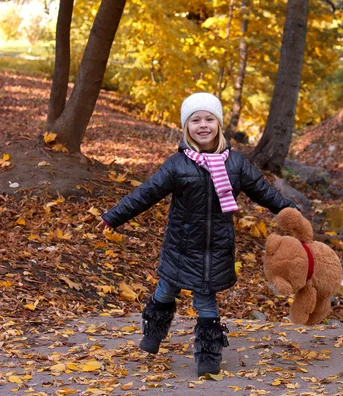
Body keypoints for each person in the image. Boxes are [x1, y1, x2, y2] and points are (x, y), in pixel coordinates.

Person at [97, 92, 299, 376]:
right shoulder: (177, 165)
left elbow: (265, 193)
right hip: (180, 247)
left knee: (205, 299)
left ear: (218, 125)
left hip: (215, 249)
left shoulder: (236, 164)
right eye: (195, 120)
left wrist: (292, 213)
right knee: (166, 289)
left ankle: (208, 355)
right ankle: (153, 334)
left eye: (208, 119)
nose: (202, 125)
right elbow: (146, 193)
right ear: (186, 127)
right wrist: (113, 216)